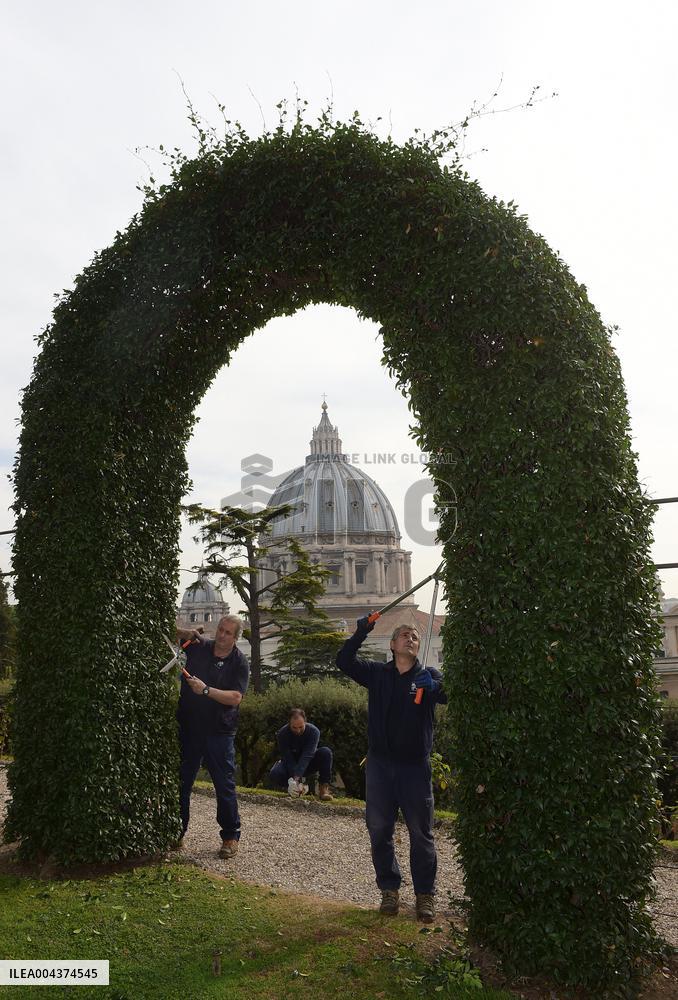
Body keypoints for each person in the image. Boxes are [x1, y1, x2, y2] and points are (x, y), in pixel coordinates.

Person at [336, 618, 446, 923]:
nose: (410, 639)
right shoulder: (377, 674)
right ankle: (389, 889)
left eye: (414, 636)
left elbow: (449, 694)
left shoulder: (428, 676)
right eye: (404, 635)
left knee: (421, 834)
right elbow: (343, 661)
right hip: (381, 767)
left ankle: (425, 895)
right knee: (380, 830)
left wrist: (435, 687)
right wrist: (361, 632)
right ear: (393, 645)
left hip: (414, 769)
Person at [176, 615, 249, 859]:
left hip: (219, 731)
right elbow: (169, 635)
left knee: (224, 784)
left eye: (228, 633)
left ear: (235, 637)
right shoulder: (201, 647)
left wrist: (205, 690)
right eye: (220, 629)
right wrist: (184, 631)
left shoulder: (239, 662)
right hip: (190, 727)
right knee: (182, 782)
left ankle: (230, 836)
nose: (222, 635)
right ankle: (176, 833)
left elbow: (235, 698)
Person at [269, 708, 334, 801]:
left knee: (326, 752)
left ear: (305, 722)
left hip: (308, 762)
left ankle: (323, 789)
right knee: (275, 773)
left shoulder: (314, 732)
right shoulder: (282, 734)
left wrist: (297, 776)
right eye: (294, 728)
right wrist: (295, 781)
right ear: (289, 724)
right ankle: (293, 789)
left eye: (301, 727)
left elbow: (308, 755)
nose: (298, 730)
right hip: (290, 763)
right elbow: (288, 757)